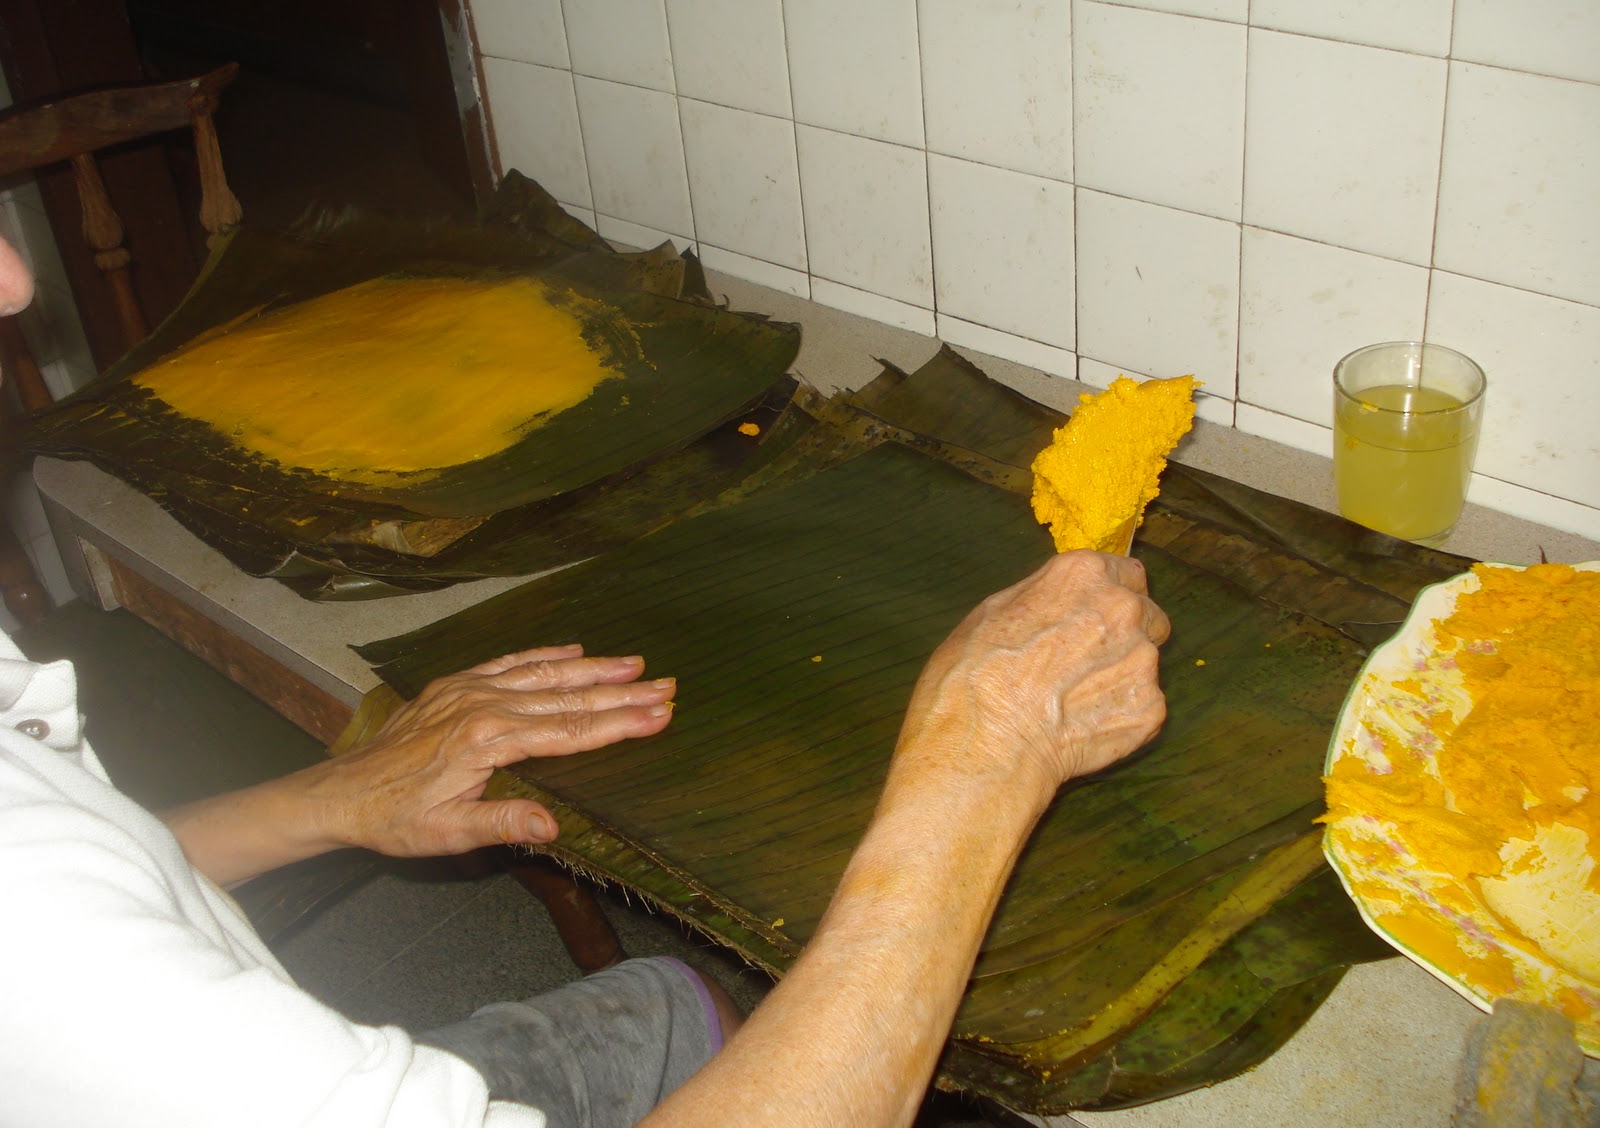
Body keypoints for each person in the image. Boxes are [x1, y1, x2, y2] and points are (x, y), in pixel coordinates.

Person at [0, 229, 1171, 1126]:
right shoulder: (59, 962)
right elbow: (50, 922)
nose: (13, 278)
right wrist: (979, 761)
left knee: (667, 1006)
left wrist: (322, 800)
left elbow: (74, 852)